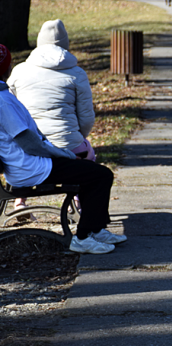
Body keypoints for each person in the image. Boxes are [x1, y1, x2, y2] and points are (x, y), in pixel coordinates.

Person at [0, 44, 126, 255]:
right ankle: (84, 236)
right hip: (30, 167)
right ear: (7, 68)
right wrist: (63, 154)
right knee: (100, 175)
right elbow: (29, 144)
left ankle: (96, 229)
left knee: (90, 172)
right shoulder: (3, 101)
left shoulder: (4, 95)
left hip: (28, 163)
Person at [8, 19, 97, 212]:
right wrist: (76, 136)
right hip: (68, 145)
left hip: (29, 147)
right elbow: (87, 118)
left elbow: (11, 113)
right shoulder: (77, 73)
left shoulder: (19, 71)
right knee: (89, 155)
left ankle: (20, 202)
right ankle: (80, 202)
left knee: (27, 151)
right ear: (65, 44)